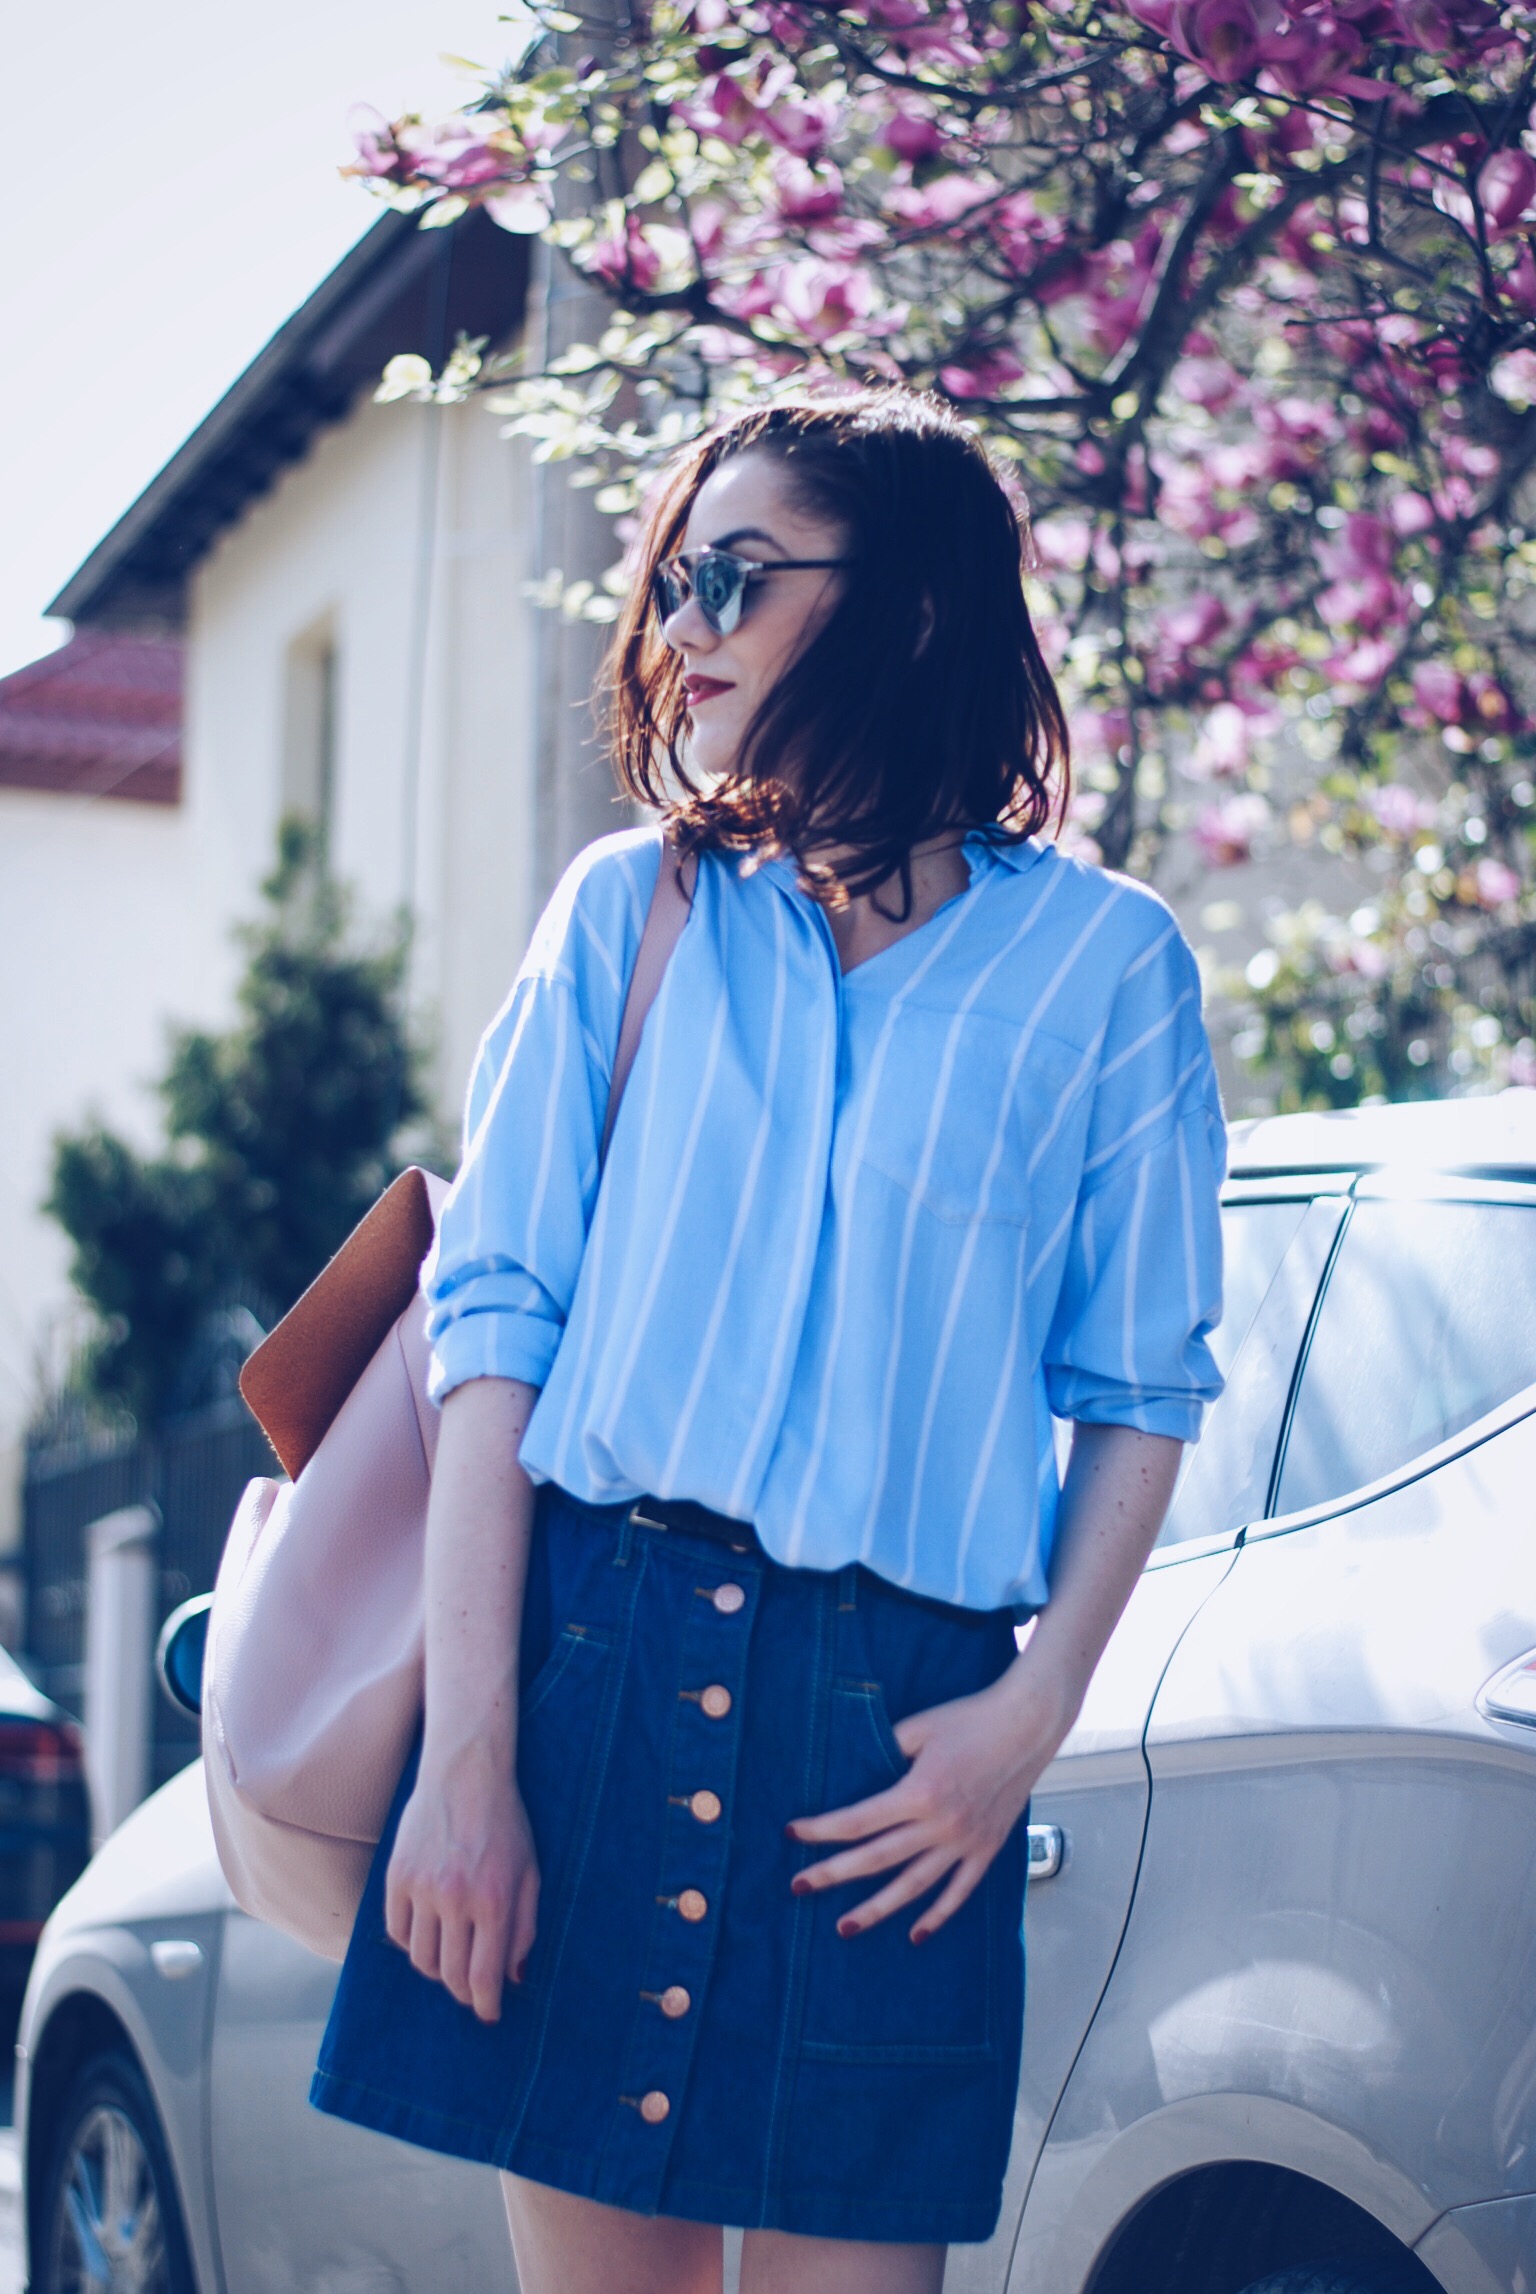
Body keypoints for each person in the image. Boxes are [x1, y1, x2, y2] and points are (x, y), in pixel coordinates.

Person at [311, 388, 1225, 2294]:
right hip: (588, 1680)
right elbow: (495, 1345)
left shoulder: (1108, 969)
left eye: (735, 573)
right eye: (669, 582)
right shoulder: (625, 914)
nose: (682, 626)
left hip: (890, 1752)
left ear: (897, 607)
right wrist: (470, 1761)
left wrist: (1029, 1714)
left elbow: (1139, 1391)